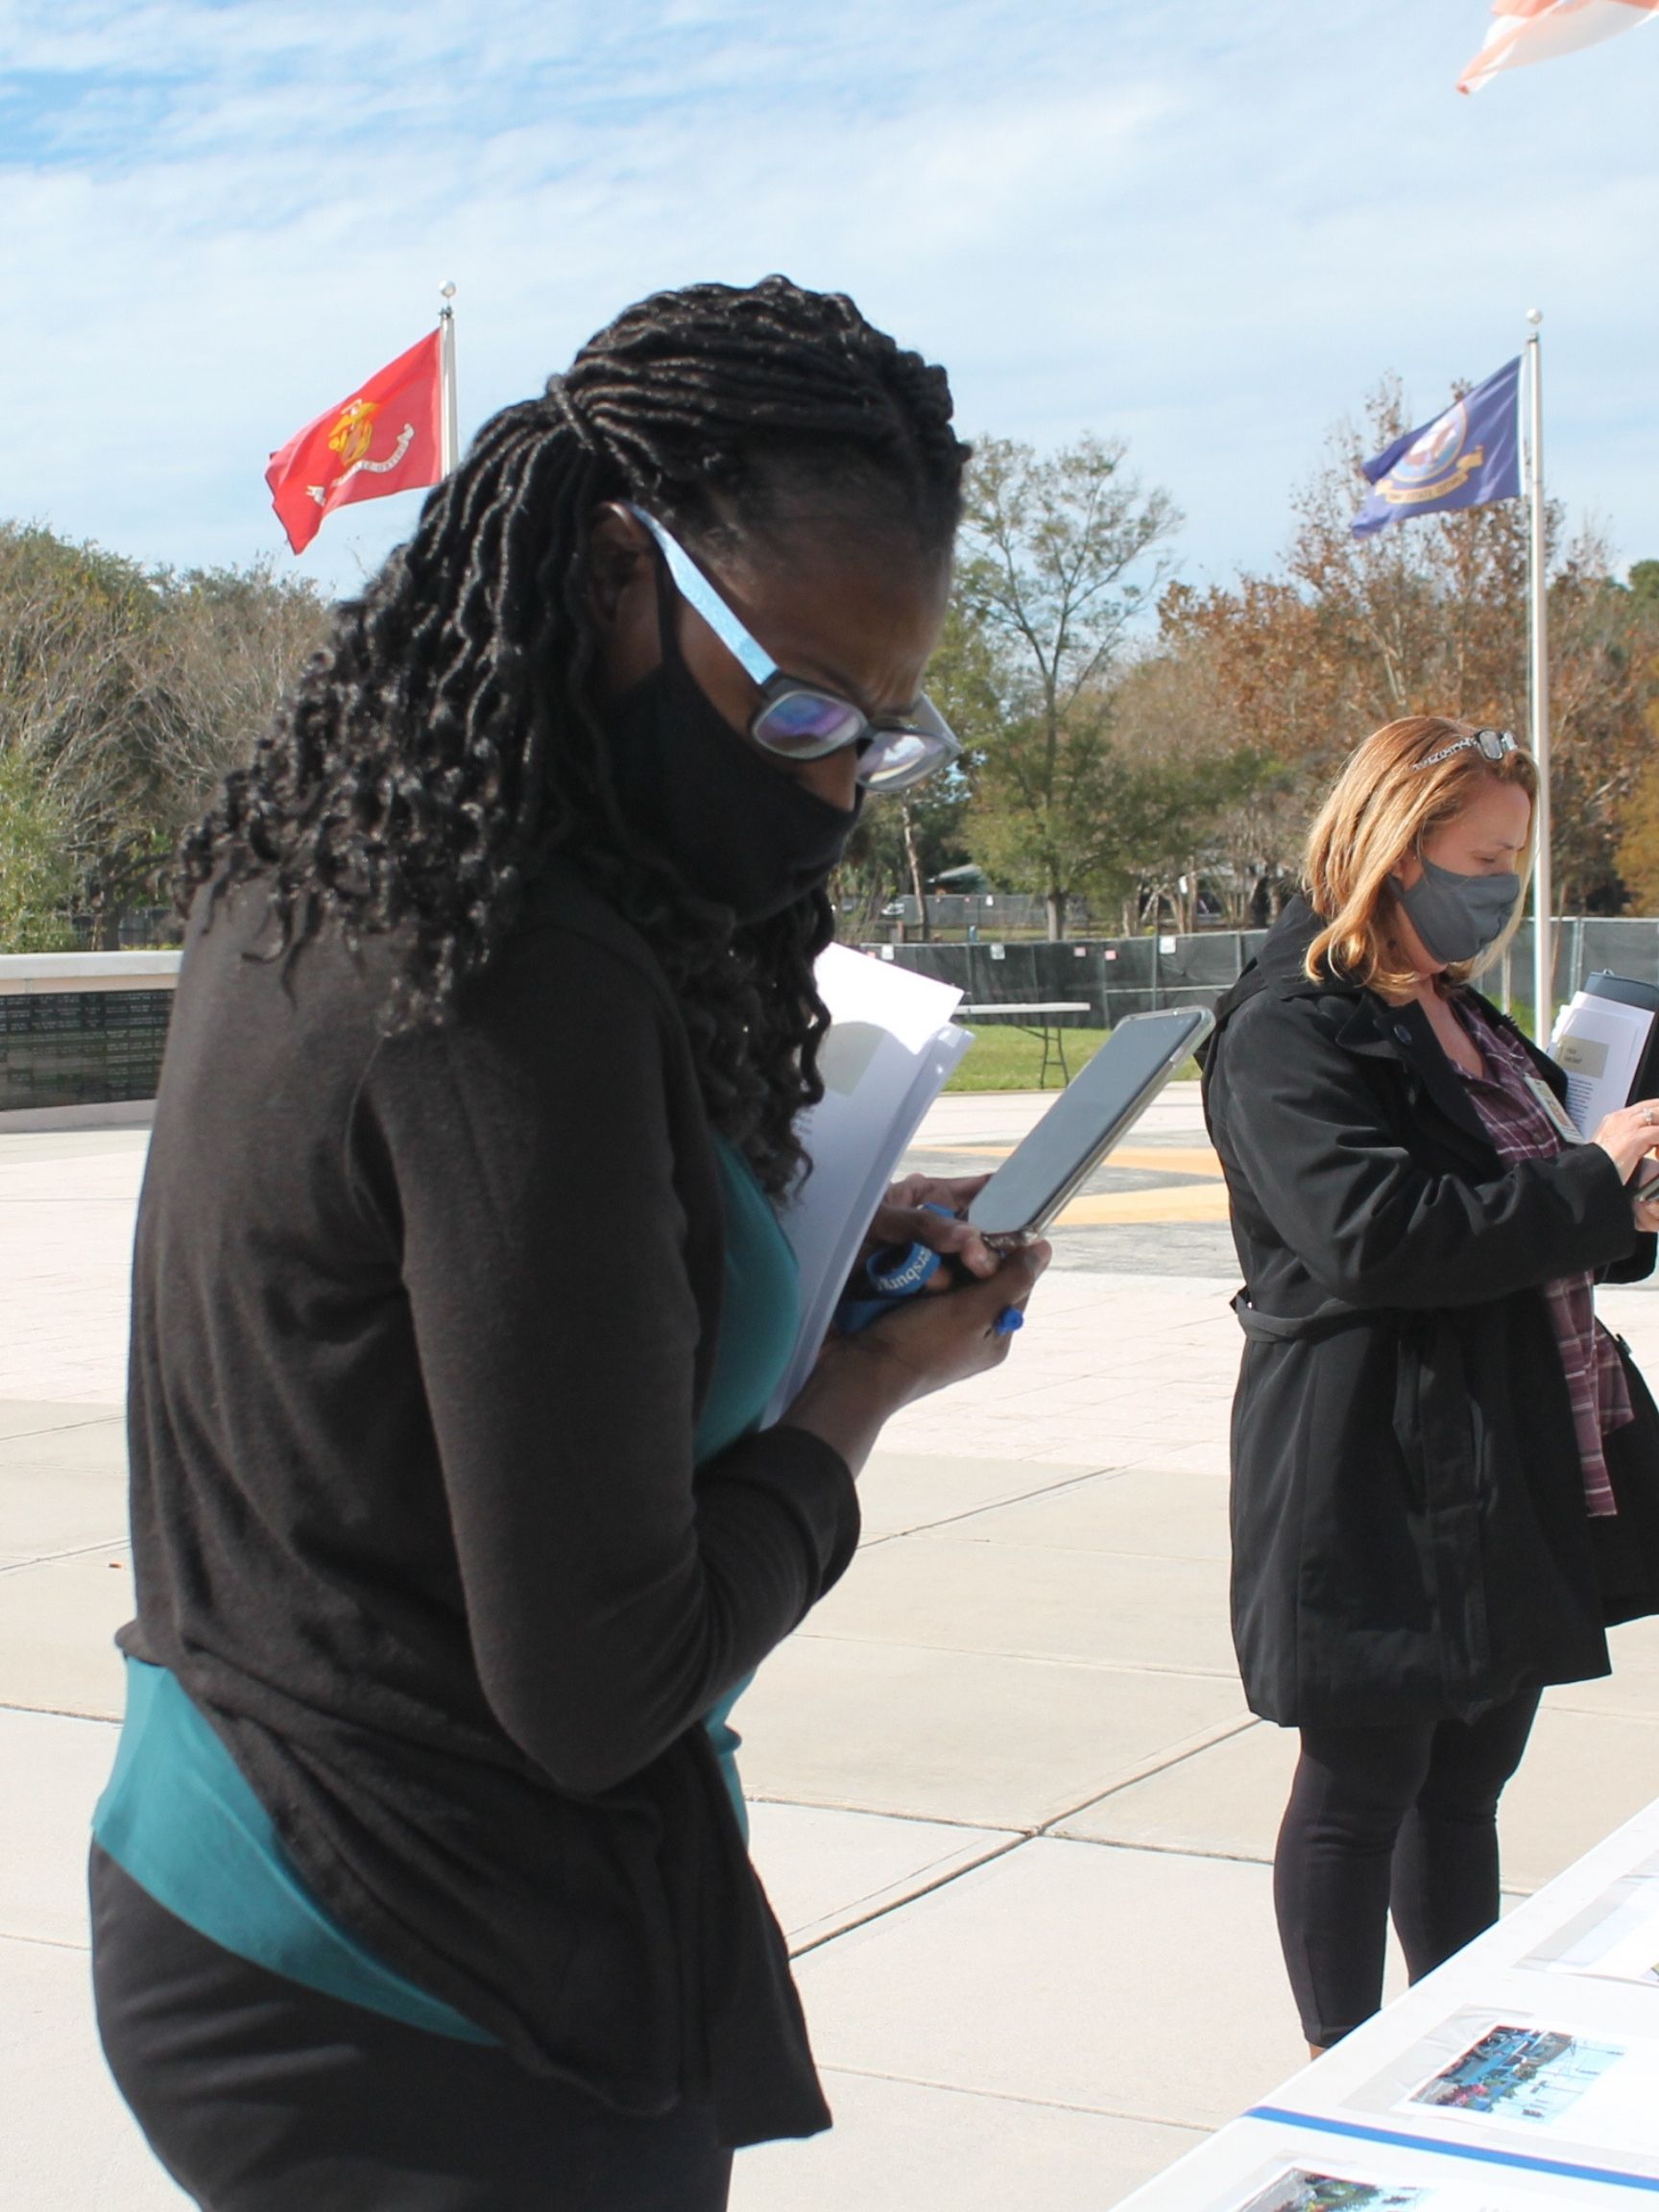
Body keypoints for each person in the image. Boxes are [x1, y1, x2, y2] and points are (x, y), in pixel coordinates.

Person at [88, 276, 1047, 2211]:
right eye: (788, 701)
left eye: (877, 734)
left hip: (230, 1849)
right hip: (421, 1978)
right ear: (619, 574)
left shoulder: (335, 869)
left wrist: (772, 1245)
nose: (830, 782)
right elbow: (606, 1686)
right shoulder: (518, 982)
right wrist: (862, 1392)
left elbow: (434, 1330)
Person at [1202, 715, 1659, 2056]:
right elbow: (1371, 1233)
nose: (1503, 884)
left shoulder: (1457, 1005)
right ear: (1391, 849)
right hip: (1371, 1463)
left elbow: (1528, 1212)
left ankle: (1459, 2053)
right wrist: (1590, 1179)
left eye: (1516, 855)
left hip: (1502, 1451)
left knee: (1465, 1784)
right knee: (1362, 1786)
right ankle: (1342, 2084)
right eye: (1482, 855)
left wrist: (1623, 1200)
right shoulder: (1292, 1025)